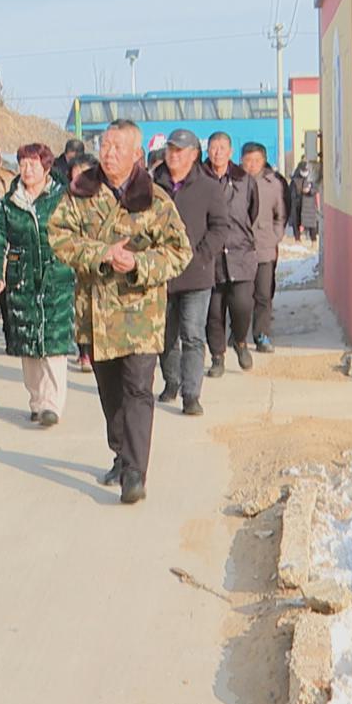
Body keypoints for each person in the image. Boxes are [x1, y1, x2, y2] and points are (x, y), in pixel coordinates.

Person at [49, 120, 193, 505]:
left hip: (141, 313)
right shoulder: (80, 193)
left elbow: (180, 252)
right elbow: (59, 237)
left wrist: (139, 263)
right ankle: (120, 451)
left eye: (118, 147)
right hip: (97, 313)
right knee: (110, 391)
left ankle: (134, 472)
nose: (109, 153)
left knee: (138, 390)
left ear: (136, 154)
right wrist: (101, 253)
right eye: (105, 146)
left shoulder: (155, 199)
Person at [0, 143, 77, 427]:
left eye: (33, 164)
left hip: (56, 277)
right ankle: (37, 400)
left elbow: (76, 233)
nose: (27, 170)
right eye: (23, 164)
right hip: (23, 279)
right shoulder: (10, 201)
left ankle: (52, 404)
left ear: (46, 168)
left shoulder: (62, 198)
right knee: (29, 346)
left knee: (53, 344)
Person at [152, 129, 227, 417]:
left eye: (179, 150)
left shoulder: (208, 187)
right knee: (166, 335)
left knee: (193, 334)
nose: (173, 155)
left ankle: (191, 394)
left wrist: (201, 256)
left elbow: (220, 227)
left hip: (196, 275)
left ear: (194, 154)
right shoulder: (153, 184)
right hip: (162, 273)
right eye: (170, 149)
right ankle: (172, 381)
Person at [200, 131, 259, 377]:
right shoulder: (199, 178)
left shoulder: (244, 180)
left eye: (222, 148)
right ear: (207, 150)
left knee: (242, 305)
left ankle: (241, 341)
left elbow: (252, 210)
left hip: (240, 253)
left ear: (231, 152)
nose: (218, 153)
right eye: (214, 148)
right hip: (210, 255)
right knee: (214, 312)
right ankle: (217, 357)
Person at [242, 141, 289, 354]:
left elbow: (280, 214)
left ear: (264, 161)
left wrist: (275, 237)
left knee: (263, 294)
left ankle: (262, 334)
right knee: (241, 296)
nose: (252, 165)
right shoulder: (235, 182)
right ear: (241, 161)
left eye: (256, 160)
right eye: (248, 160)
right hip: (240, 248)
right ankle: (238, 334)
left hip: (265, 247)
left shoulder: (273, 184)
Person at [67, 153, 101, 373]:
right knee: (80, 311)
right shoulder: (65, 199)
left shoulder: (103, 197)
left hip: (99, 266)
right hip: (74, 264)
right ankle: (84, 353)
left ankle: (94, 351)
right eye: (75, 173)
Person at [290, 156, 322, 242]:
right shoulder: (295, 179)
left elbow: (316, 189)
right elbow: (291, 192)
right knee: (297, 221)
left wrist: (309, 191)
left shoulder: (311, 178)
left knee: (311, 223)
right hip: (297, 204)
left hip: (309, 204)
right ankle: (297, 239)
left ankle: (313, 239)